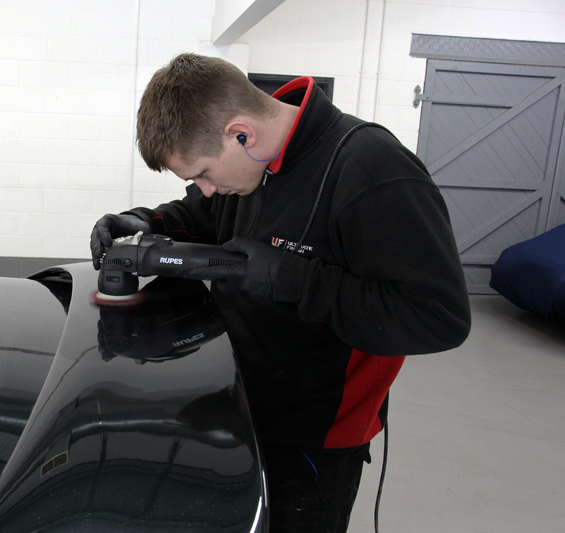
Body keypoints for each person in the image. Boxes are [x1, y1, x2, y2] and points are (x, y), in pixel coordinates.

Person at [90, 53, 471, 532]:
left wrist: (294, 280)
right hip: (239, 403)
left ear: (240, 133)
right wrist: (149, 222)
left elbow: (438, 316)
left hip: (315, 437)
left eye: (204, 174)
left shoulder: (371, 170)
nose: (204, 190)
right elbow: (202, 215)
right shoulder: (249, 165)